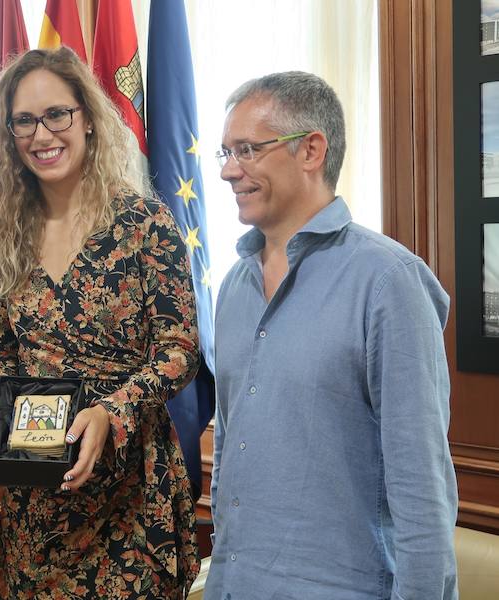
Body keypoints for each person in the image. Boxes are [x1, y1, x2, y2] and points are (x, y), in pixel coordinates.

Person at [208, 71, 458, 599]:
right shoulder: (233, 286)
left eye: (247, 150)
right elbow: (229, 450)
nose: (230, 171)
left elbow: (423, 495)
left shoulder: (389, 282)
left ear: (311, 150)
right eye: (225, 152)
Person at [0, 47, 203, 599]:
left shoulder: (144, 221)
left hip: (131, 492)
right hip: (40, 494)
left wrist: (110, 412)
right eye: (23, 120)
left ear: (89, 118)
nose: (41, 133)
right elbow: (1, 356)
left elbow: (180, 349)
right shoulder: (4, 234)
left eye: (57, 114)